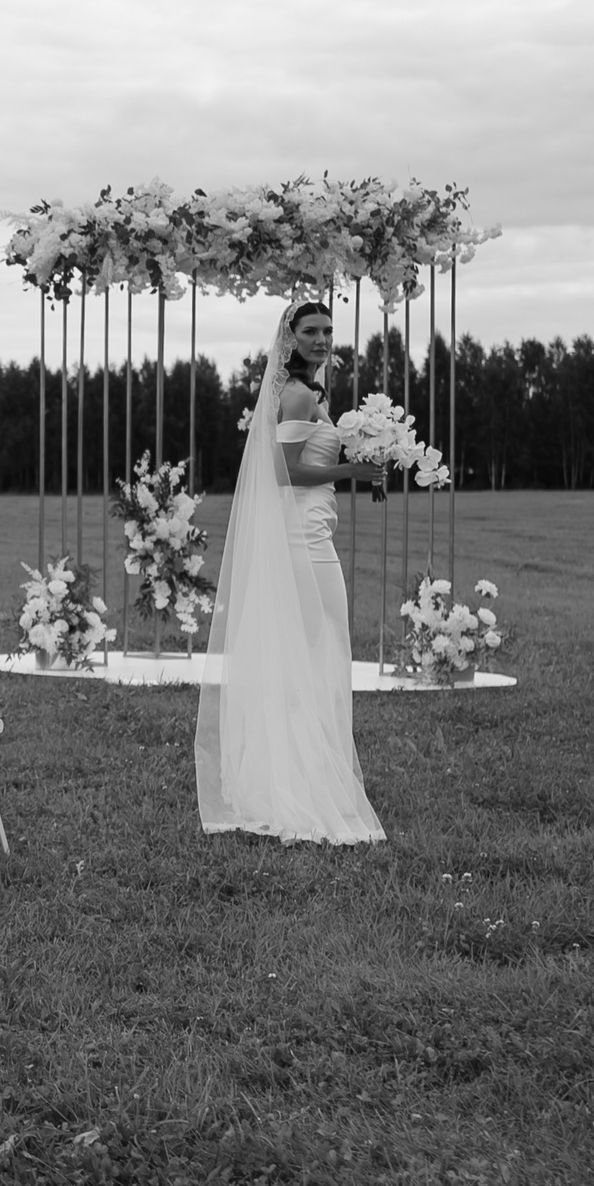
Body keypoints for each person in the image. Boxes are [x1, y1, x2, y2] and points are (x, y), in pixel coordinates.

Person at [194, 301, 388, 844]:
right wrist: (351, 468)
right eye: (311, 332)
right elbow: (285, 472)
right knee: (322, 650)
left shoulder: (311, 393)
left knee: (312, 654)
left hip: (313, 533)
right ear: (291, 337)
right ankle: (303, 787)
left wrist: (365, 457)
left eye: (328, 330)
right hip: (305, 539)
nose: (322, 339)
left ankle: (301, 776)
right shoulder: (300, 394)